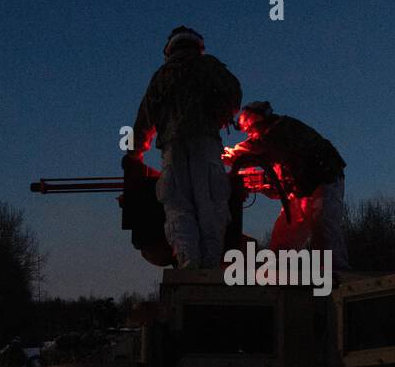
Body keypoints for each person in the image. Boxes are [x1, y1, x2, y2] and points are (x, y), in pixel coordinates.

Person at [130, 26, 242, 268]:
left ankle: (188, 263)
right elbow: (234, 95)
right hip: (206, 143)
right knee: (210, 204)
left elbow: (144, 118)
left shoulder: (161, 75)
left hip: (172, 149)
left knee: (178, 206)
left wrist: (134, 153)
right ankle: (211, 268)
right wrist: (218, 114)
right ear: (198, 46)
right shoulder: (210, 66)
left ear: (169, 48)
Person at [227, 101, 350, 270]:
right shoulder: (275, 147)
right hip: (300, 190)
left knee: (322, 224)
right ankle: (277, 272)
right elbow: (279, 186)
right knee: (284, 235)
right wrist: (261, 185)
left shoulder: (282, 129)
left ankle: (336, 273)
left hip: (325, 181)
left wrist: (226, 156)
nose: (248, 134)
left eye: (249, 129)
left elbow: (257, 148)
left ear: (257, 122)